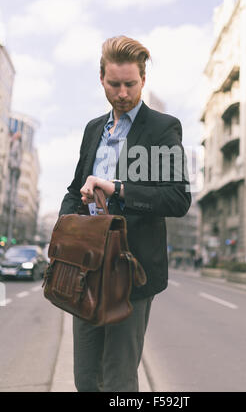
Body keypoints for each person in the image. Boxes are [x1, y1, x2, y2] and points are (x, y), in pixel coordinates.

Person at [59, 35, 191, 392]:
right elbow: (75, 189)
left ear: (143, 81)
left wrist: (117, 188)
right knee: (85, 377)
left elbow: (178, 199)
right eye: (114, 84)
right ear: (101, 79)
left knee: (118, 379)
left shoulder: (164, 128)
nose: (122, 93)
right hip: (86, 268)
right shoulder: (92, 129)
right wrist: (64, 233)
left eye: (130, 84)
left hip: (131, 271)